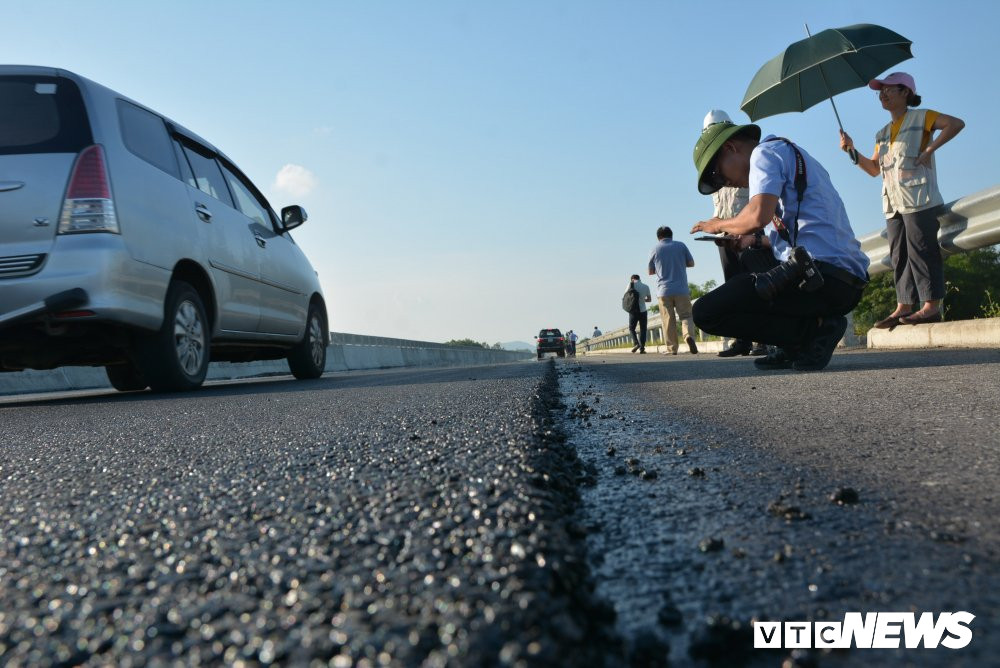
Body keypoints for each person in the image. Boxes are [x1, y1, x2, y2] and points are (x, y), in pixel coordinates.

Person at [690, 120, 870, 371]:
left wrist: (719, 224)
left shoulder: (763, 155)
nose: (724, 183)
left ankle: (810, 333)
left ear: (731, 148)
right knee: (752, 256)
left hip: (819, 277)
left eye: (718, 174)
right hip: (840, 281)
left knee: (705, 312)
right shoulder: (792, 154)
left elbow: (757, 217)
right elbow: (799, 232)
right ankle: (798, 342)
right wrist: (749, 240)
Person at [839, 72, 965, 327]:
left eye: (888, 90)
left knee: (922, 250)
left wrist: (930, 149)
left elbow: (956, 123)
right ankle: (904, 306)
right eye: (880, 91)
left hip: (919, 197)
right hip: (893, 203)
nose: (883, 94)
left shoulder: (922, 117)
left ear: (905, 92)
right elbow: (874, 169)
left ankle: (930, 307)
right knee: (899, 254)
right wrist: (851, 151)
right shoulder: (882, 133)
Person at [704, 110, 766, 358]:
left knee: (758, 284)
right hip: (726, 236)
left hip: (751, 231)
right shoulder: (716, 165)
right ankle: (743, 339)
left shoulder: (744, 158)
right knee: (733, 287)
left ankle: (763, 338)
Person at [648, 226, 698, 355]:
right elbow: (691, 263)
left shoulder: (655, 249)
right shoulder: (681, 245)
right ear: (671, 235)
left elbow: (650, 271)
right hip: (682, 289)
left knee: (668, 320)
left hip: (664, 291)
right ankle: (688, 337)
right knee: (686, 316)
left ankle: (672, 348)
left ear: (658, 237)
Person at [627, 274, 653, 353]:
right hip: (643, 311)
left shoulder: (630, 285)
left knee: (632, 329)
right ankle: (642, 348)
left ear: (632, 279)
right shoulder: (646, 286)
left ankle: (636, 343)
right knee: (643, 329)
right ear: (639, 278)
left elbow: (625, 297)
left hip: (633, 311)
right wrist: (641, 300)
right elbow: (649, 300)